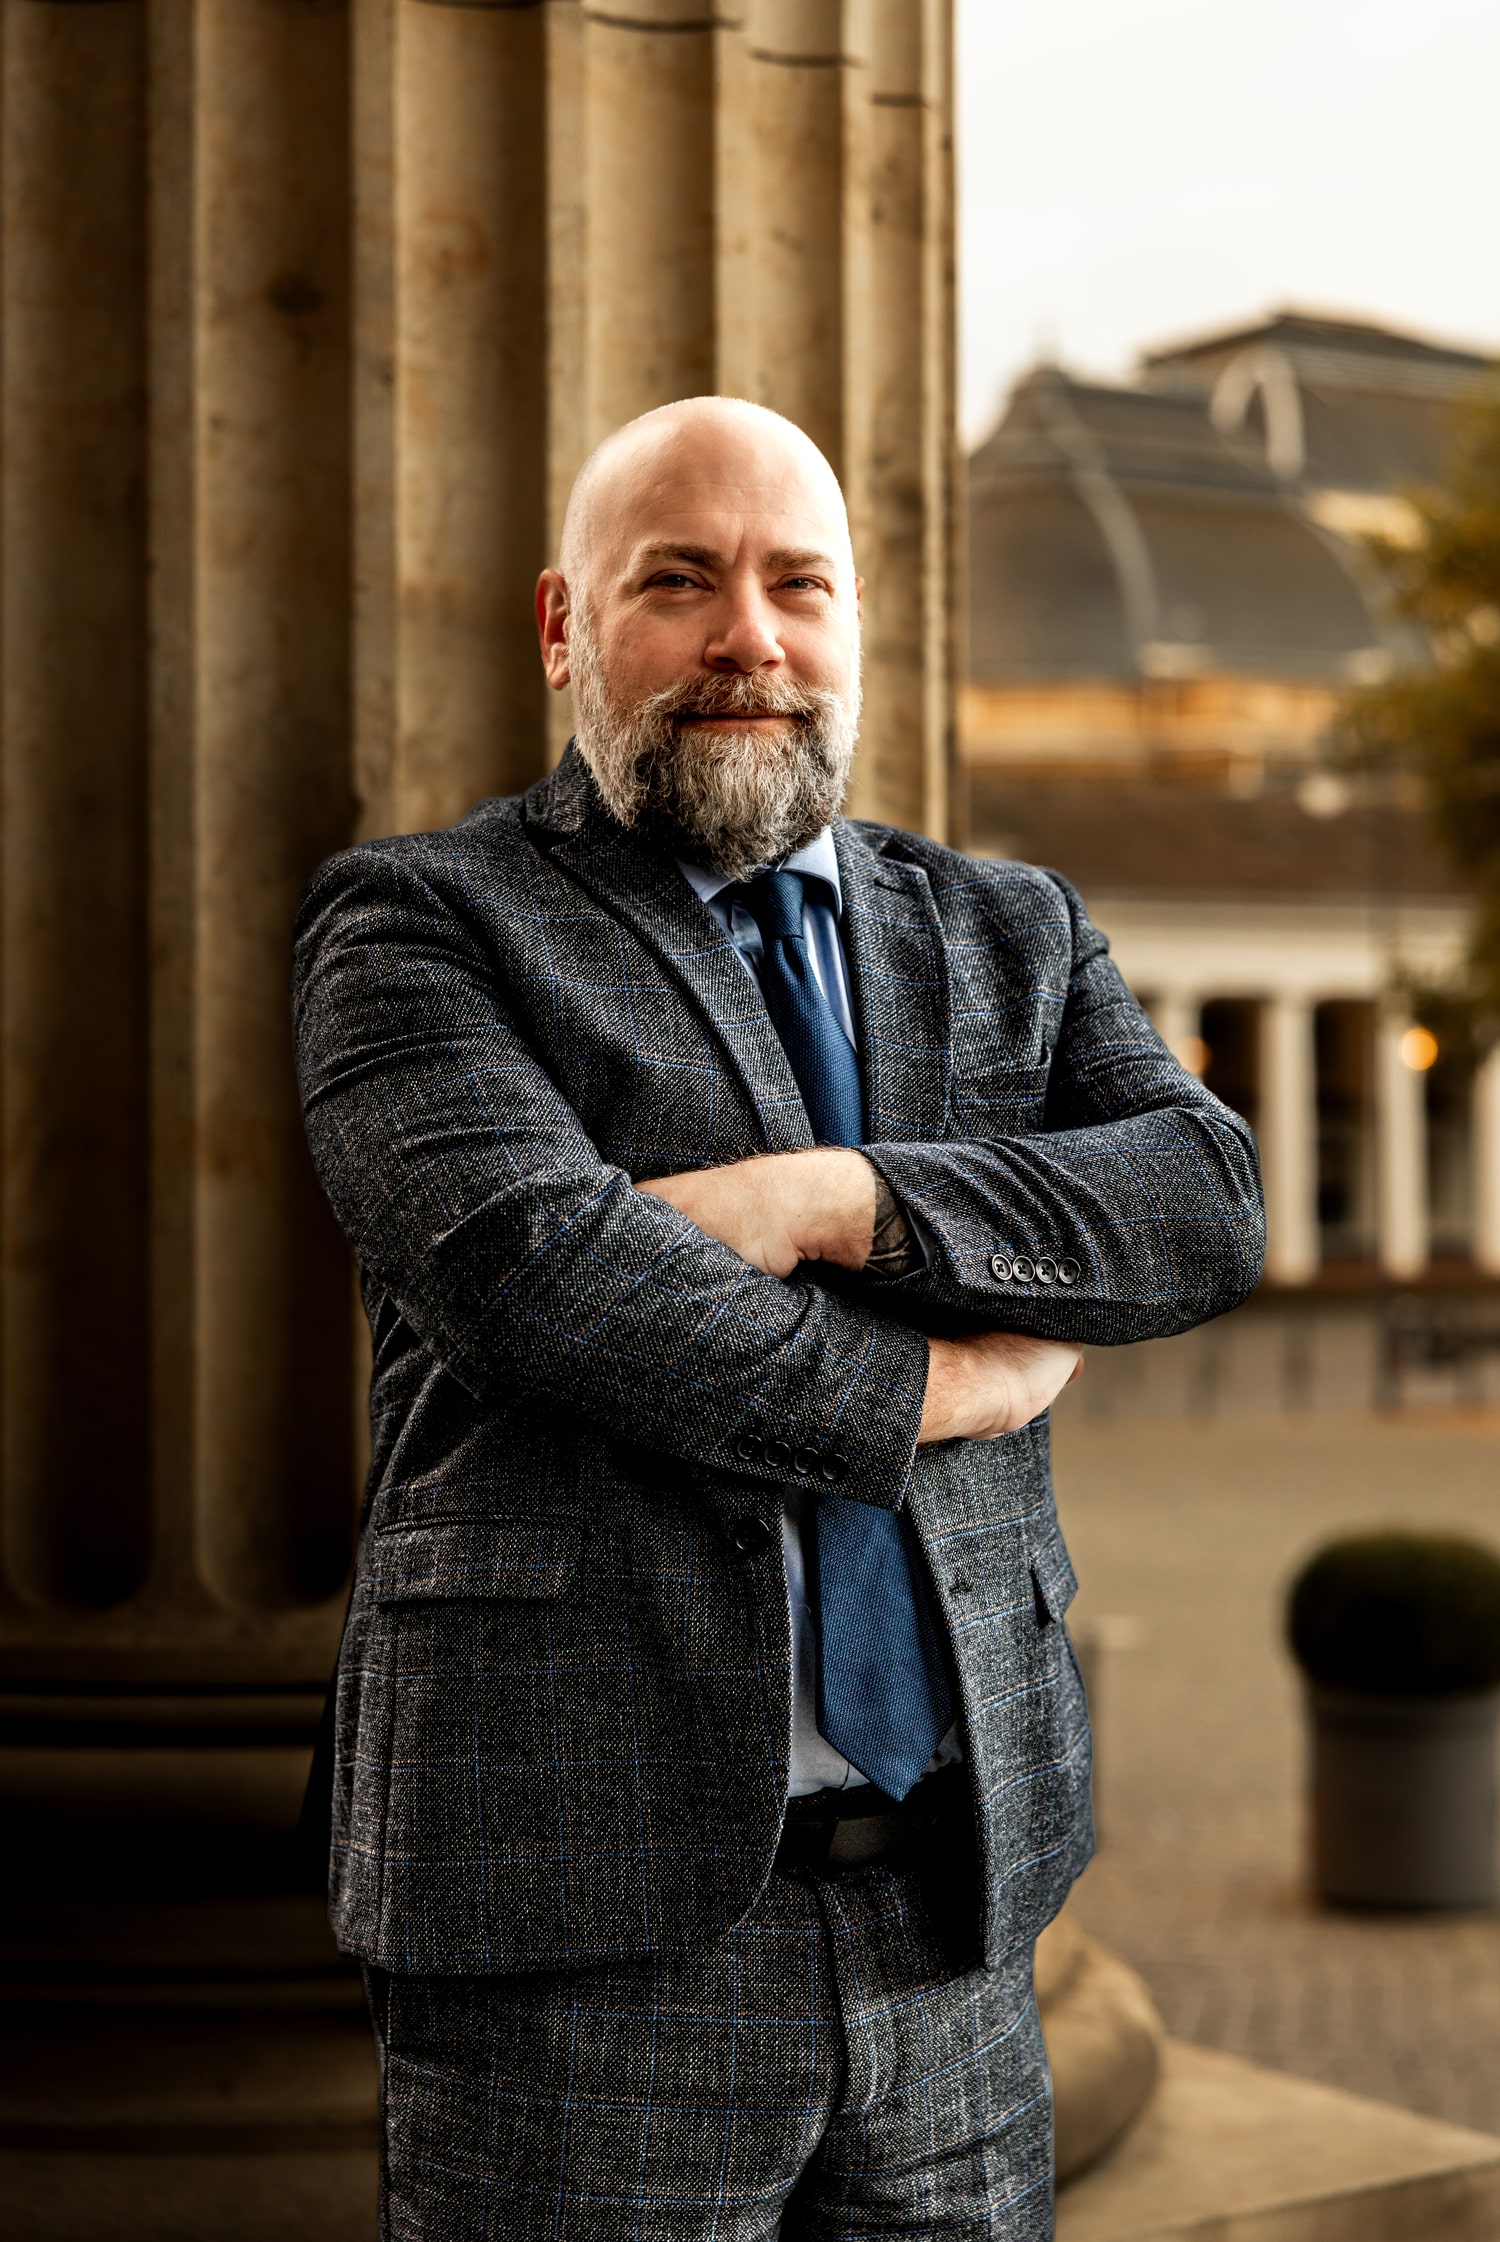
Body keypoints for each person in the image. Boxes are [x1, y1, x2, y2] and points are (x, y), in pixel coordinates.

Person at [292, 396, 1264, 2240]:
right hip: (578, 1928)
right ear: (566, 628)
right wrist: (942, 1385)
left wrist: (842, 1198)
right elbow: (545, 1280)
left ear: (856, 625)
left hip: (959, 1925)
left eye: (798, 582)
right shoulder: (420, 927)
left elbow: (1203, 1201)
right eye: (681, 579)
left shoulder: (1010, 929)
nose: (752, 634)